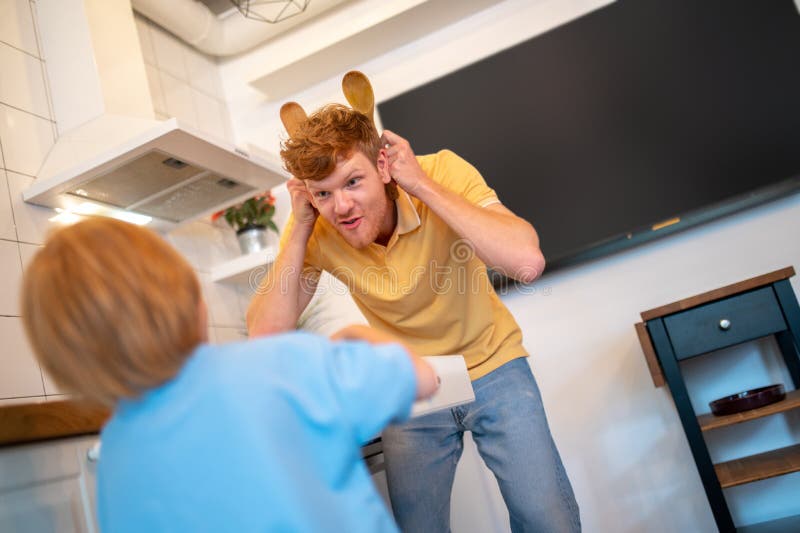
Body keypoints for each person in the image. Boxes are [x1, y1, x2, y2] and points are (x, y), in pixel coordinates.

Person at [247, 97, 581, 532]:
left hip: (493, 363)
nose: (341, 206)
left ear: (383, 168)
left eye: (353, 182)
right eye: (324, 193)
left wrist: (420, 185)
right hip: (412, 387)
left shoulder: (438, 171)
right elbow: (264, 339)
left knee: (547, 518)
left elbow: (526, 262)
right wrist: (302, 228)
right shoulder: (316, 222)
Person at [20, 217, 439, 533]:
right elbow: (421, 377)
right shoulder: (282, 363)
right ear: (190, 297)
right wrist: (356, 334)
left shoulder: (115, 456)